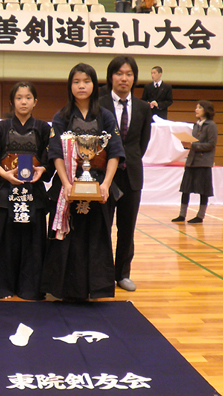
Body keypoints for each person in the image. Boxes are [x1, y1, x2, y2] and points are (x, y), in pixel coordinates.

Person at [41, 63, 125, 301]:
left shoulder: (105, 116)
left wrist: (107, 184)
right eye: (76, 81)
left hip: (97, 184)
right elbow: (56, 153)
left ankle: (96, 289)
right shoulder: (62, 116)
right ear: (70, 85)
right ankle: (64, 289)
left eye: (86, 81)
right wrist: (66, 184)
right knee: (68, 237)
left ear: (94, 85)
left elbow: (115, 153)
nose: (81, 86)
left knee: (97, 237)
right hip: (69, 183)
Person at [0, 82, 52, 301]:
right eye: (19, 97)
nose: (24, 101)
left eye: (28, 97)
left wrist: (41, 169)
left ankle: (30, 289)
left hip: (34, 194)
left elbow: (51, 159)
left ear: (35, 102)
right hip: (5, 193)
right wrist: (5, 175)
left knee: (33, 243)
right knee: (3, 243)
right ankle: (1, 287)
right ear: (12, 101)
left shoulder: (44, 128)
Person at [99, 56, 152, 292]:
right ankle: (101, 273)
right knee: (102, 226)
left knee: (127, 228)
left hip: (131, 176)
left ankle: (122, 274)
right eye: (119, 73)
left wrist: (127, 162)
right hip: (103, 177)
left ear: (134, 78)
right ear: (111, 77)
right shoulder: (98, 104)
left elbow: (142, 143)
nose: (124, 78)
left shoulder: (142, 107)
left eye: (129, 74)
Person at [172, 100, 217, 224]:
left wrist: (193, 145)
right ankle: (182, 214)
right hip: (192, 161)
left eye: (199, 107)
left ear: (206, 110)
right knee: (185, 188)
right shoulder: (196, 125)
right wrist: (187, 144)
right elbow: (195, 143)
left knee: (203, 190)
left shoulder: (211, 125)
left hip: (203, 162)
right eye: (196, 107)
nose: (196, 109)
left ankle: (200, 215)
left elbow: (211, 145)